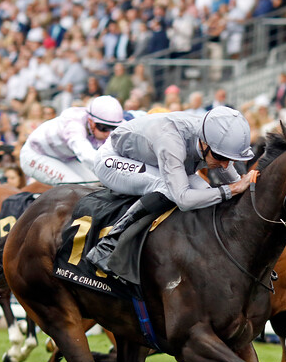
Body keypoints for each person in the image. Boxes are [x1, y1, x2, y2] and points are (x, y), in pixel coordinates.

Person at [86, 107, 255, 273]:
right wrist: (231, 189)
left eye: (230, 159)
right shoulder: (172, 142)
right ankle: (108, 244)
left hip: (153, 158)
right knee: (167, 188)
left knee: (205, 191)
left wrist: (244, 184)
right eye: (221, 157)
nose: (225, 164)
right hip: (113, 159)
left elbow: (235, 181)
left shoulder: (212, 138)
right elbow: (183, 199)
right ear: (204, 143)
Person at [20, 95, 123, 185]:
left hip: (66, 157)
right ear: (90, 121)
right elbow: (86, 155)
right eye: (103, 128)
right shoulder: (74, 124)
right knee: (76, 185)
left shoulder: (97, 122)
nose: (109, 133)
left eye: (113, 128)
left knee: (96, 182)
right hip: (36, 155)